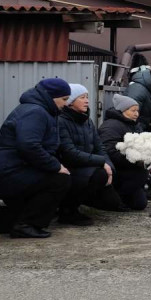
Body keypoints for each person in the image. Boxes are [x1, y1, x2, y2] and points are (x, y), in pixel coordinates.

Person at [0, 79, 73, 239]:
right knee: (60, 180)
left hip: (10, 169)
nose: (66, 104)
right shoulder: (36, 112)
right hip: (6, 172)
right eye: (64, 99)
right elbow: (29, 145)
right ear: (50, 96)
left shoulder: (43, 110)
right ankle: (25, 226)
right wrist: (56, 166)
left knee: (34, 199)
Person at [57, 85, 114, 225]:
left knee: (113, 202)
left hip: (86, 166)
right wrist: (101, 162)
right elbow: (69, 153)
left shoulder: (87, 120)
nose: (87, 101)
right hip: (68, 168)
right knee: (99, 175)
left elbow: (99, 146)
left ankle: (78, 204)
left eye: (87, 97)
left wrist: (109, 166)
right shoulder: (61, 121)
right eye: (82, 97)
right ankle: (68, 211)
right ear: (70, 102)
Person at [99, 95, 151, 211]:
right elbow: (109, 151)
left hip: (130, 168)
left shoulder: (134, 125)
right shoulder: (111, 126)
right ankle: (117, 196)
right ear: (122, 110)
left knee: (140, 204)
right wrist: (134, 160)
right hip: (118, 170)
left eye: (137, 111)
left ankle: (126, 196)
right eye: (133, 110)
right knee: (140, 174)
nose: (136, 114)